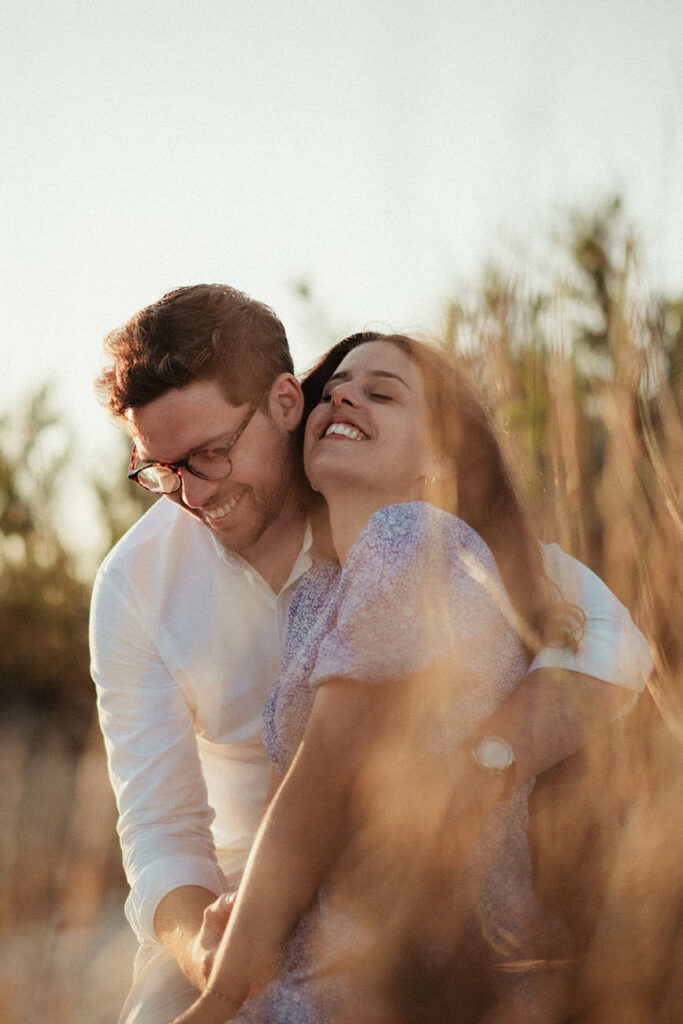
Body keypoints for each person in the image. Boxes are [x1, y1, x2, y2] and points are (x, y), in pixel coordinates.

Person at [90, 287, 652, 1024]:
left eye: (211, 453)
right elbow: (160, 833)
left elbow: (613, 643)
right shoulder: (139, 583)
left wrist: (481, 766)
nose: (191, 494)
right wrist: (210, 951)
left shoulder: (398, 523)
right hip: (237, 898)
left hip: (407, 901)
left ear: (285, 402)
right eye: (159, 470)